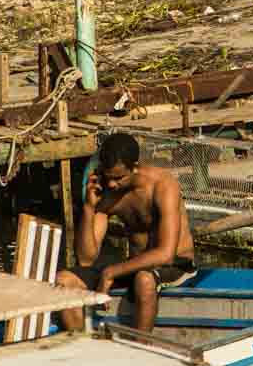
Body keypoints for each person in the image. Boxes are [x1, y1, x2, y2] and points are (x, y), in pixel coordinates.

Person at [56, 132, 195, 333]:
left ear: (135, 167)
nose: (112, 184)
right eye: (108, 176)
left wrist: (111, 272)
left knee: (144, 280)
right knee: (64, 280)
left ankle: (141, 348)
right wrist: (88, 207)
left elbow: (166, 254)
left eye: (119, 178)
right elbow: (86, 259)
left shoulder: (163, 185)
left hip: (176, 264)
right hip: (134, 267)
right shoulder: (106, 191)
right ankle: (84, 351)